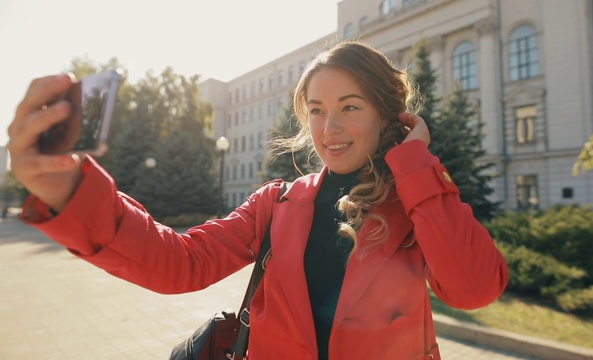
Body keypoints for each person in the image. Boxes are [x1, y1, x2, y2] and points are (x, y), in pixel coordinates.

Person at [7, 40, 508, 360]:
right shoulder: (279, 202)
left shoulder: (418, 202)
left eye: (349, 107)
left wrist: (416, 163)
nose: (329, 129)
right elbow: (178, 263)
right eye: (316, 110)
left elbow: (473, 289)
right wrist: (68, 192)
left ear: (387, 116)